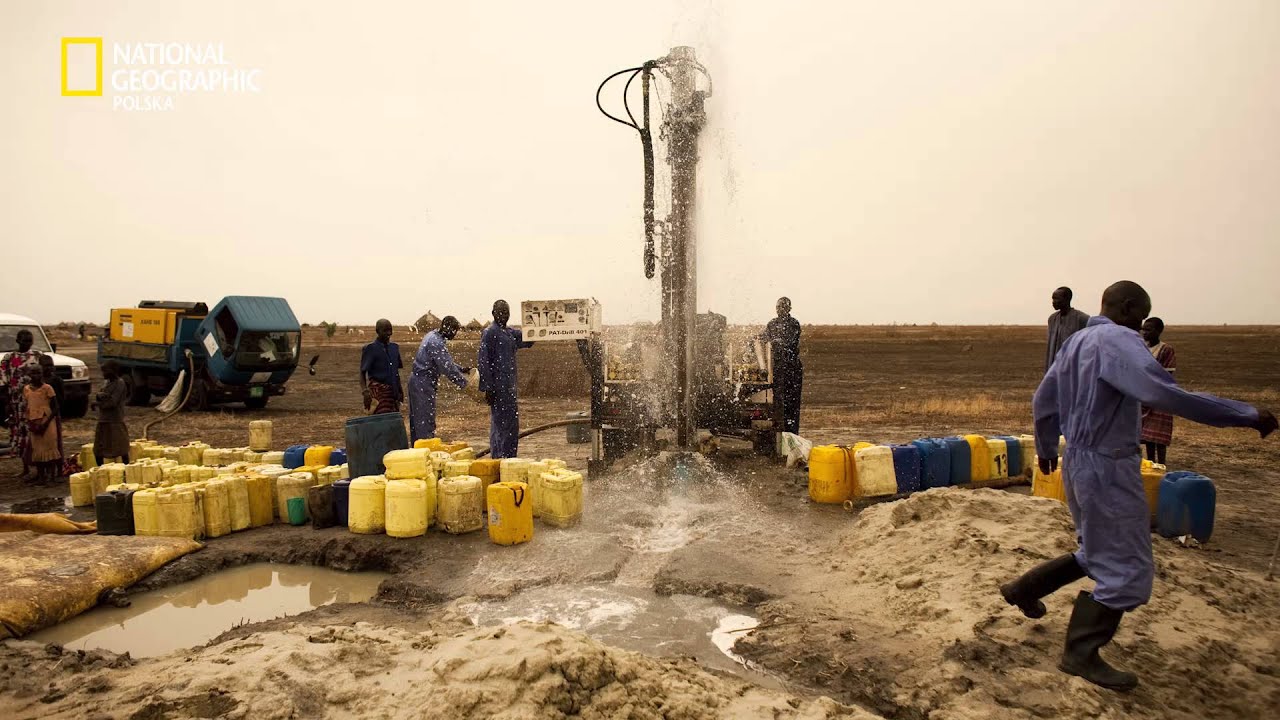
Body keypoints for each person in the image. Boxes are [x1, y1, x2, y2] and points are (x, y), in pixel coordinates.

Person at [1001, 281, 1276, 692]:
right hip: (1109, 468)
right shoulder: (1119, 341)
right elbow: (1163, 393)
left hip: (1076, 462)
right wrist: (1246, 414)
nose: (1142, 323)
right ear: (1129, 308)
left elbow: (1044, 399)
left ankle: (1024, 589)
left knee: (1096, 549)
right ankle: (1080, 653)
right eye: (1142, 314)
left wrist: (1045, 448)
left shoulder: (1076, 342)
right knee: (1129, 569)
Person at [478, 300, 534, 458]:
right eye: (501, 312)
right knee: (502, 425)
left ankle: (507, 458)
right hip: (498, 388)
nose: (504, 315)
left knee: (509, 425)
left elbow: (527, 339)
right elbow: (483, 361)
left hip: (509, 387)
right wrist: (488, 388)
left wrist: (537, 325)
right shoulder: (490, 333)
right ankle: (502, 459)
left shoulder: (509, 333)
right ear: (493, 313)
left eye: (506, 312)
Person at [407, 316, 470, 443]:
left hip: (417, 380)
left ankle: (417, 449)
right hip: (423, 383)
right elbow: (447, 368)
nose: (454, 334)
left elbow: (443, 361)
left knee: (417, 421)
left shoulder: (433, 335)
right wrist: (465, 384)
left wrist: (461, 369)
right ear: (448, 329)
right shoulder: (436, 342)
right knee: (425, 422)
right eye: (454, 331)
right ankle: (426, 449)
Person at [2, 329, 42, 478]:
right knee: (20, 434)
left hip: (35, 401)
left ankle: (39, 468)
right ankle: (25, 468)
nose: (27, 343)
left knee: (35, 432)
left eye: (30, 340)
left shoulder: (37, 356)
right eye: (24, 340)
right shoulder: (9, 358)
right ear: (18, 341)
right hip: (17, 403)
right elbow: (3, 382)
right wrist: (6, 402)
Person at [762, 297, 803, 435]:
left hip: (792, 368)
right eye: (778, 307)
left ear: (789, 308)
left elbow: (791, 342)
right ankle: (779, 433)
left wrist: (777, 342)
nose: (780, 309)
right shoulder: (772, 324)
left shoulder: (794, 324)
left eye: (783, 307)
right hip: (777, 368)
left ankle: (792, 433)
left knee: (792, 403)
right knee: (778, 401)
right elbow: (765, 338)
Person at [1139, 317, 1176, 465]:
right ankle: (1151, 465)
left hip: (1161, 396)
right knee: (1148, 436)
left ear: (1159, 331)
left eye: (1149, 330)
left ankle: (1161, 465)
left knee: (1159, 438)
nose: (1145, 332)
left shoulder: (1166, 350)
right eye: (1144, 329)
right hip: (1144, 396)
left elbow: (1168, 374)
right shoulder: (1141, 347)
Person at [23, 365, 60, 484]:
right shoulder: (27, 389)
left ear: (42, 374)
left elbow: (56, 407)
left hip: (47, 421)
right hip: (34, 421)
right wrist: (29, 422)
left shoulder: (47, 388)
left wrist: (46, 423)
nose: (36, 376)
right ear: (29, 375)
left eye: (38, 373)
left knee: (50, 448)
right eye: (33, 373)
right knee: (37, 450)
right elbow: (27, 407)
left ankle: (52, 476)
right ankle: (41, 477)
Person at [360, 319, 404, 415]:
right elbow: (362, 372)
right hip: (378, 394)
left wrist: (400, 391)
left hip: (393, 393)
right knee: (381, 420)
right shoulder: (370, 349)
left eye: (390, 330)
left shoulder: (394, 348)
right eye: (385, 330)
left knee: (393, 419)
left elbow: (396, 372)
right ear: (377, 331)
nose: (389, 333)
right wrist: (365, 392)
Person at [93, 360, 131, 465]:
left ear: (114, 371)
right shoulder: (107, 383)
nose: (103, 374)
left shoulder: (120, 383)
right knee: (98, 449)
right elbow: (101, 395)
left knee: (121, 448)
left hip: (115, 420)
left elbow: (113, 402)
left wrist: (99, 403)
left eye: (105, 371)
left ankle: (127, 469)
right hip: (103, 420)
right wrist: (100, 397)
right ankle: (100, 470)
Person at [1046, 286, 1089, 371]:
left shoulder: (1082, 319)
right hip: (1054, 367)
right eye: (1053, 299)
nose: (1053, 302)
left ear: (1067, 299)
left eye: (1057, 299)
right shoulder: (1052, 319)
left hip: (1072, 367)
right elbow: (1050, 347)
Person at [39, 355, 66, 475]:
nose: (49, 368)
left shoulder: (56, 380)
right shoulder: (38, 381)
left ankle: (59, 469)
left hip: (54, 414)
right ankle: (46, 469)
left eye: (51, 365)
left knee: (56, 442)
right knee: (43, 443)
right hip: (41, 415)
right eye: (46, 366)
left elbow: (61, 399)